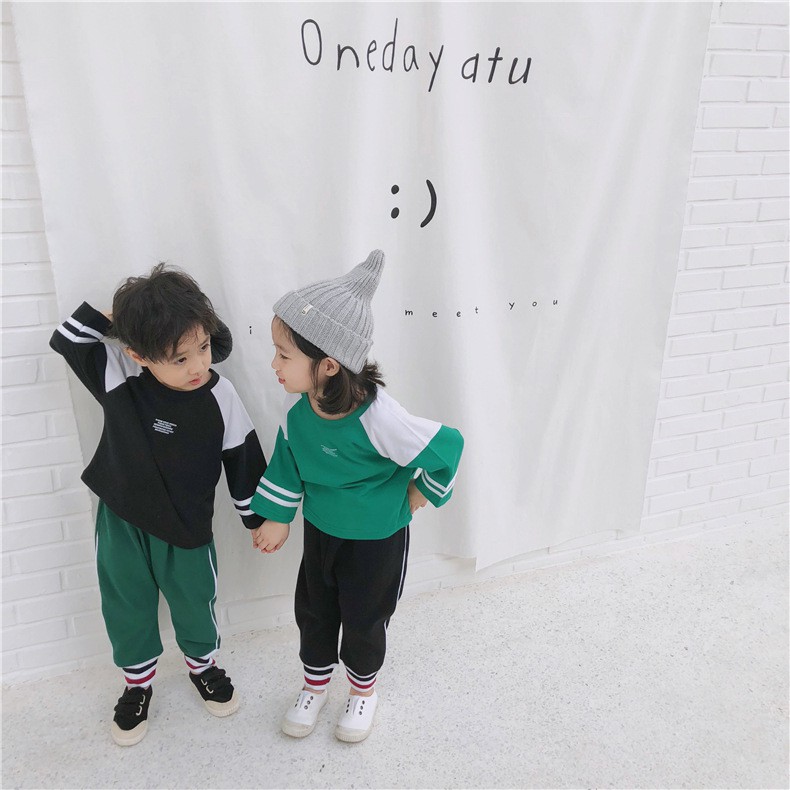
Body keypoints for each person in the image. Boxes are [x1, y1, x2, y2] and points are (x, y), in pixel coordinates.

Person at [250, 249, 464, 743]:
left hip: (376, 539)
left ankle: (363, 691)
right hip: (322, 531)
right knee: (314, 610)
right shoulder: (298, 412)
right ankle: (314, 685)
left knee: (365, 617)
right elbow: (288, 462)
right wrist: (278, 517)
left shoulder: (380, 418)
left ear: (327, 365)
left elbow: (447, 447)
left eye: (284, 355)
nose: (274, 364)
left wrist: (418, 494)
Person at [49, 263, 267, 746]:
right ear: (139, 355)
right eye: (179, 357)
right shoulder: (119, 373)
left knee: (195, 601)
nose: (197, 366)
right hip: (122, 521)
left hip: (187, 527)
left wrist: (258, 519)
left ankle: (202, 667)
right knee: (126, 605)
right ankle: (137, 685)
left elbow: (243, 457)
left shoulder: (220, 393)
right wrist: (132, 318)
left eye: (203, 348)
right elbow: (68, 338)